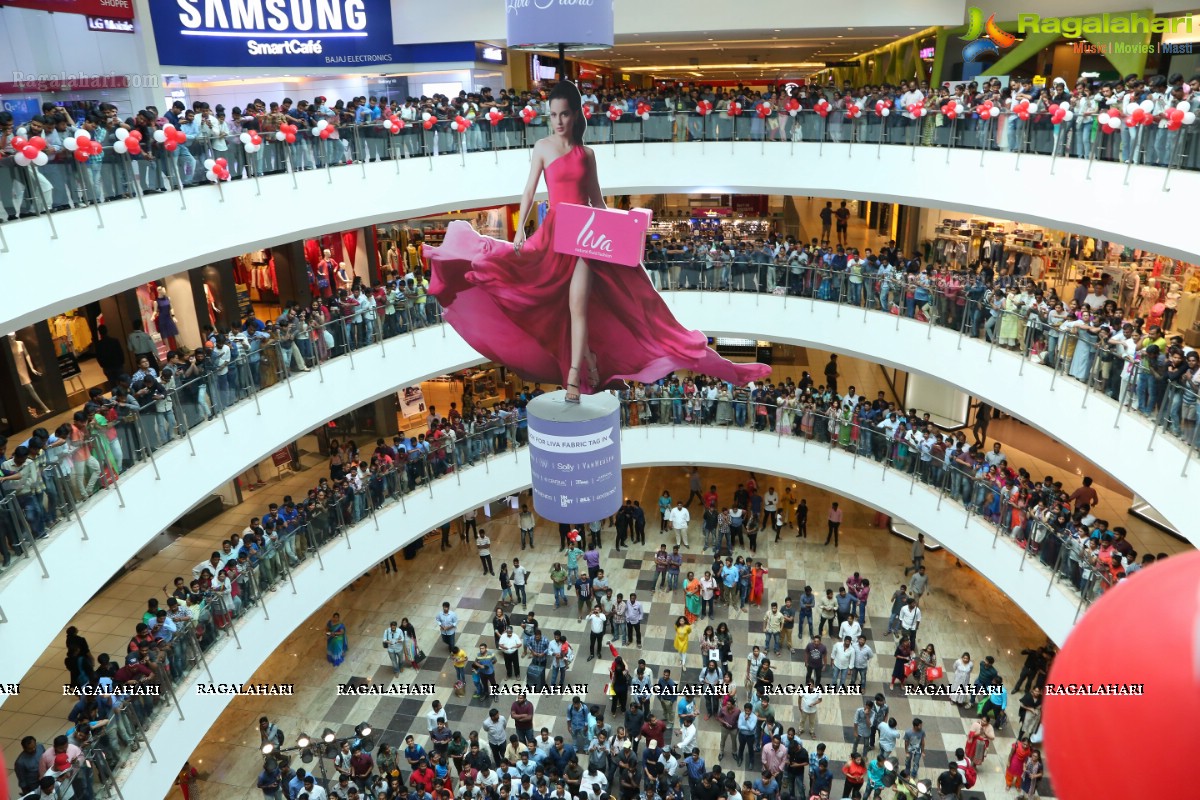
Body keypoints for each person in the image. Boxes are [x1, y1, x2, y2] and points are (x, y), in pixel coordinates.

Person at [427, 81, 770, 404]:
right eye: (553, 114)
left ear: (575, 114)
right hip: (553, 237)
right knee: (523, 287)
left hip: (583, 236)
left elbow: (597, 202)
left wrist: (626, 230)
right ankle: (586, 361)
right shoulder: (542, 148)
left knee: (583, 307)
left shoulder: (587, 154)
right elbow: (530, 189)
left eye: (564, 114)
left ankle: (575, 376)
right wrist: (519, 230)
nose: (558, 121)